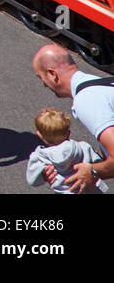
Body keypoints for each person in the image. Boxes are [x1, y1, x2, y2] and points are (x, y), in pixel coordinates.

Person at [32, 43, 114, 193]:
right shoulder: (103, 85)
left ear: (52, 74)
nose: (44, 85)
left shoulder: (87, 100)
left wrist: (91, 171)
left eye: (41, 78)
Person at [26, 107, 109, 194]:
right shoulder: (83, 147)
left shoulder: (40, 157)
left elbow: (32, 181)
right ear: (68, 133)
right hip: (90, 190)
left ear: (40, 136)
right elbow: (100, 164)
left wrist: (43, 175)